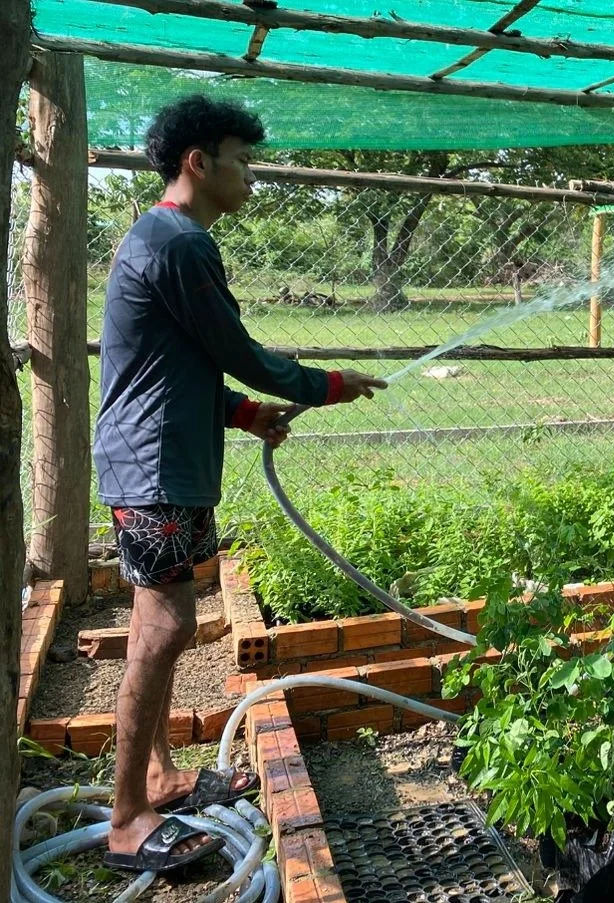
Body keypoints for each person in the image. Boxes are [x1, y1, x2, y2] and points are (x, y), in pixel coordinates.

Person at [92, 95, 387, 874]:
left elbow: (175, 370)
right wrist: (327, 382)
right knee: (164, 628)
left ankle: (155, 777)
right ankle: (128, 820)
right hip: (154, 468)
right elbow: (240, 351)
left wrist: (248, 415)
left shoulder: (163, 239)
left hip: (161, 457)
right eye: (243, 160)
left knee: (159, 625)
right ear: (200, 162)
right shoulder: (179, 244)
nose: (252, 175)